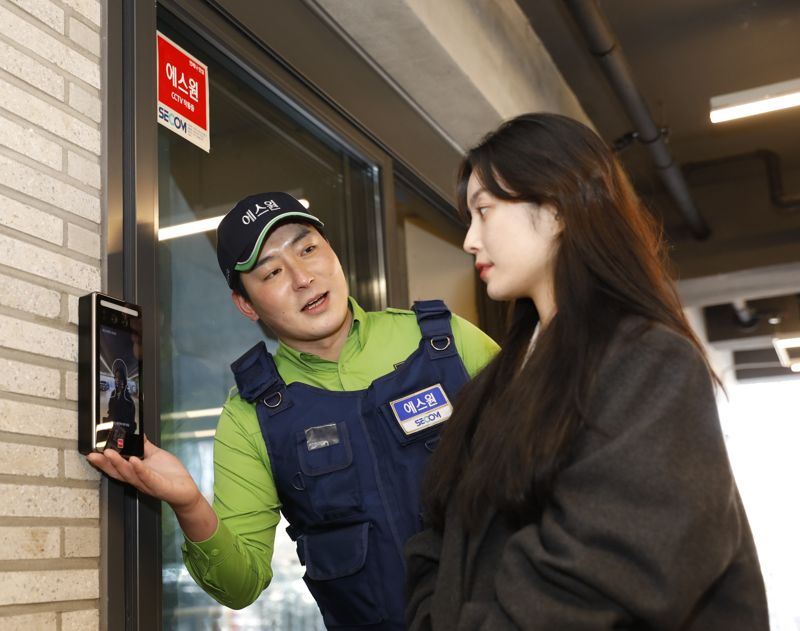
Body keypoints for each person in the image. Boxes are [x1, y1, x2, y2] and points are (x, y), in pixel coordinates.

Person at [404, 113, 769, 630]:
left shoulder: (646, 360)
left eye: (483, 212)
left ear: (556, 209)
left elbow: (616, 568)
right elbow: (438, 537)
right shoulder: (497, 381)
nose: (469, 240)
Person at [87, 191, 499, 630]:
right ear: (247, 305)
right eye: (272, 272)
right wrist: (189, 503)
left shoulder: (446, 342)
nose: (302, 277)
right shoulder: (250, 418)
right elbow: (240, 585)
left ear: (333, 255)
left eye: (308, 249)